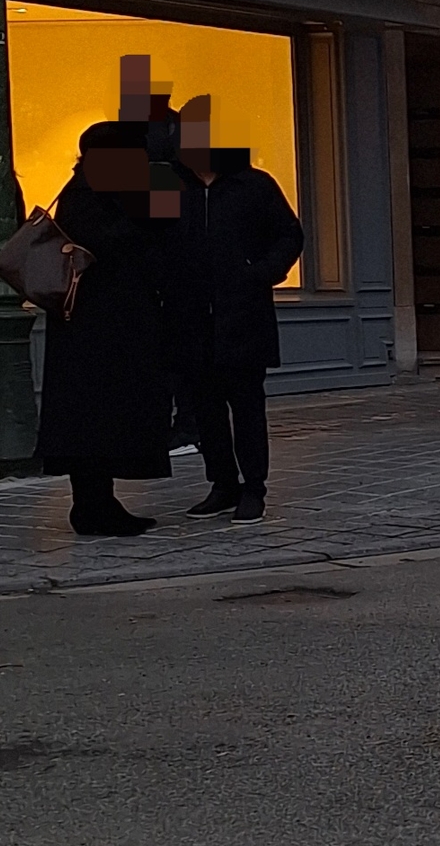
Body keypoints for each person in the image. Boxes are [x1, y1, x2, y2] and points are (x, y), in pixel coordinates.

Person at [33, 120, 175, 536]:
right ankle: (93, 506)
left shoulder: (101, 191)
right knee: (94, 418)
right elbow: (110, 243)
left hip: (105, 328)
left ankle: (98, 502)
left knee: (101, 418)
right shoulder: (87, 195)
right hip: (95, 330)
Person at [163, 130, 304, 520]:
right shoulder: (171, 185)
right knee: (204, 409)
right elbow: (154, 240)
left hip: (242, 314)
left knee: (246, 407)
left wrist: (261, 274)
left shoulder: (253, 185)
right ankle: (222, 484)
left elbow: (289, 234)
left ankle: (254, 488)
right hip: (189, 317)